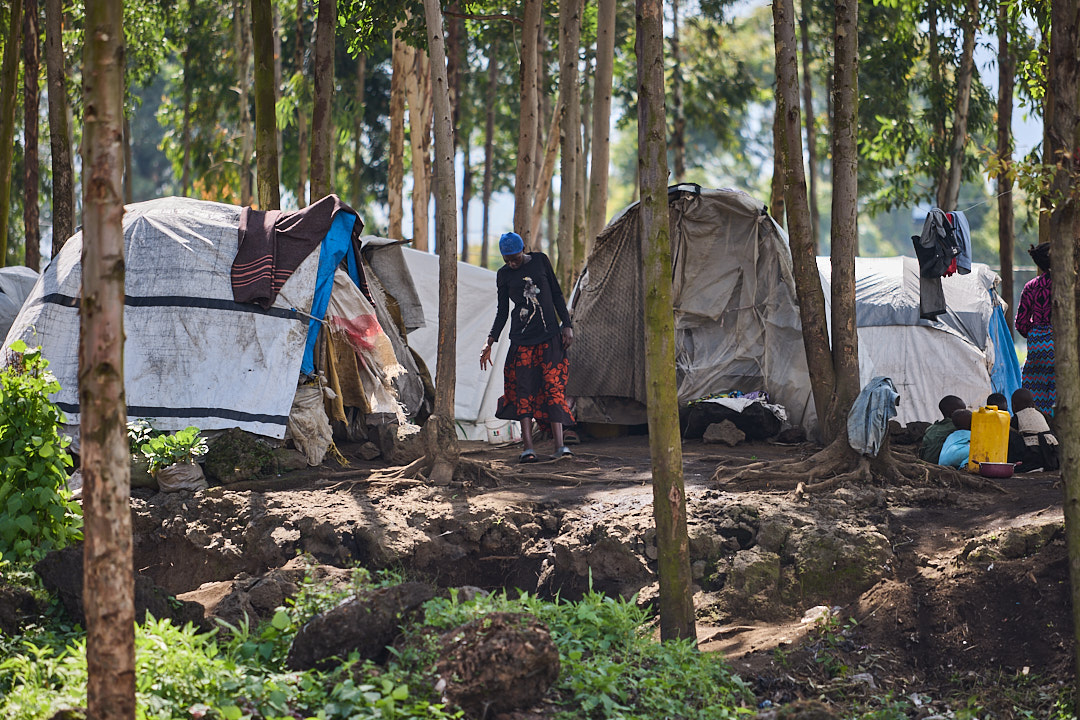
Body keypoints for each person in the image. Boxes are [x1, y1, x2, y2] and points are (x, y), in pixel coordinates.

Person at [480, 232, 575, 463]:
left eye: (515, 258)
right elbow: (502, 311)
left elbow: (556, 294)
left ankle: (560, 446)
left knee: (553, 387)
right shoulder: (503, 275)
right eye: (507, 259)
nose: (512, 263)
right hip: (522, 342)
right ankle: (528, 448)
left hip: (550, 337)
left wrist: (567, 325)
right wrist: (490, 340)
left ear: (523, 250)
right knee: (524, 391)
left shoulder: (541, 260)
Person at [1016, 243, 1054, 415]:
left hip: (1037, 344)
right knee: (1058, 390)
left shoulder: (1031, 286)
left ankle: (1040, 423)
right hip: (1059, 344)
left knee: (1036, 393)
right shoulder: (1070, 285)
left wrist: (1037, 332)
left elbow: (1021, 323)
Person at [1010, 388, 1059, 472]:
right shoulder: (1041, 415)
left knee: (1011, 435)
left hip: (1034, 456)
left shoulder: (1017, 417)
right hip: (1051, 454)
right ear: (1033, 404)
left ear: (1014, 406)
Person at [919, 395, 966, 463]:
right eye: (963, 411)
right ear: (953, 413)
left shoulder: (931, 429)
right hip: (940, 464)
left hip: (925, 461)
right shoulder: (956, 427)